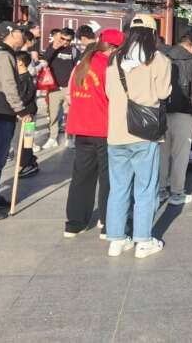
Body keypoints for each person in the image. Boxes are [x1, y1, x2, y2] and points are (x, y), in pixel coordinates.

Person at [105, 14, 171, 259]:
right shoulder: (158, 59)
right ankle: (143, 241)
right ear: (153, 34)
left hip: (116, 132)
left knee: (118, 188)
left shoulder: (114, 58)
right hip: (144, 132)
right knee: (145, 188)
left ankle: (116, 240)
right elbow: (163, 93)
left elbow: (108, 92)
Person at [63, 29, 124, 239]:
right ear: (114, 48)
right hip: (104, 128)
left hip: (81, 128)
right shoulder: (110, 67)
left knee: (81, 176)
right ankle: (106, 222)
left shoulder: (82, 64)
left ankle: (74, 224)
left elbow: (70, 95)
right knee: (108, 178)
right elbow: (116, 98)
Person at [159, 33, 192, 205]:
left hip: (162, 112)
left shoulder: (162, 57)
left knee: (162, 154)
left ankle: (161, 190)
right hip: (184, 113)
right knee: (180, 155)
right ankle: (176, 193)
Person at [0, 22, 31, 220]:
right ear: (11, 34)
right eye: (19, 32)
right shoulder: (4, 56)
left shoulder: (1, 54)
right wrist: (20, 110)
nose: (22, 36)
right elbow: (9, 86)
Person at [41, 27, 80, 149]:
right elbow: (44, 60)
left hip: (69, 88)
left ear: (72, 40)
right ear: (59, 36)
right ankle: (52, 138)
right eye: (63, 38)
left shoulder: (74, 51)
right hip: (54, 87)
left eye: (68, 40)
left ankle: (70, 138)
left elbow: (78, 68)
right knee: (53, 115)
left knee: (70, 115)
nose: (65, 42)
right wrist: (53, 48)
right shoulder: (52, 47)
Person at [15, 51, 39, 178]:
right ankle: (30, 162)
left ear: (20, 62)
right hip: (27, 113)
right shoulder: (23, 77)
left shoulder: (25, 78)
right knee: (26, 141)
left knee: (25, 141)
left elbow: (23, 97)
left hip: (27, 115)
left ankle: (26, 164)